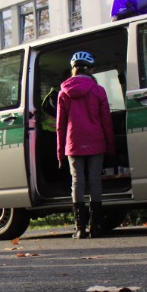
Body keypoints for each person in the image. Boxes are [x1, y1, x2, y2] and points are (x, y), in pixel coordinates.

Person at [56, 51, 115, 239]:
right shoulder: (98, 91)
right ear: (90, 70)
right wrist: (111, 149)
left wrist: (60, 154)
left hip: (73, 144)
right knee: (95, 181)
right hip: (96, 142)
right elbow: (106, 121)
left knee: (77, 182)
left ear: (73, 69)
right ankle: (95, 227)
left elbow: (60, 126)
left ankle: (80, 228)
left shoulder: (63, 93)